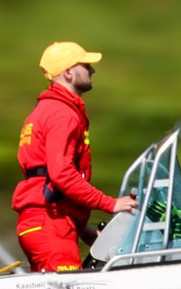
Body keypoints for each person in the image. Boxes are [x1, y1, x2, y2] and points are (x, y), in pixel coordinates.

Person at [12, 41, 137, 272]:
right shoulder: (62, 114)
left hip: (45, 222)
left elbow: (47, 179)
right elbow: (62, 175)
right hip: (51, 225)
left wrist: (82, 229)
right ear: (68, 73)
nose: (92, 70)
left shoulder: (49, 109)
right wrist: (112, 204)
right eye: (86, 66)